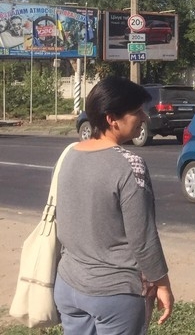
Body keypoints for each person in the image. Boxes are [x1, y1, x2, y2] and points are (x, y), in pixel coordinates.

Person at [54, 76, 174, 333]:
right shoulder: (130, 164)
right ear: (112, 119)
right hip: (115, 293)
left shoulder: (70, 154)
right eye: (136, 112)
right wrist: (162, 283)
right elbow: (142, 238)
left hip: (68, 285)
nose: (143, 117)